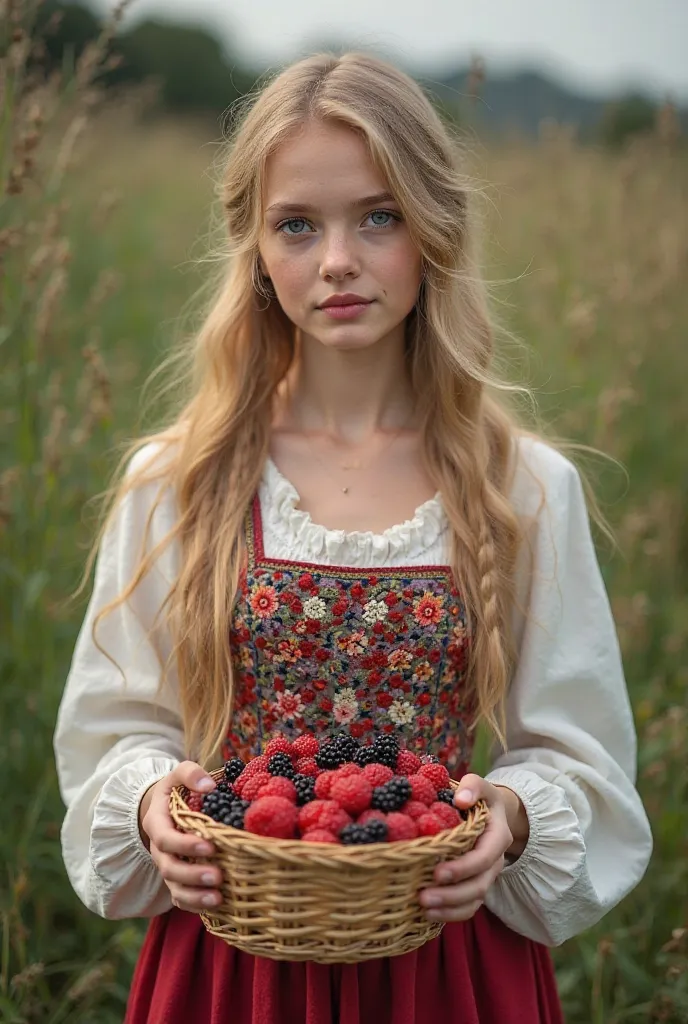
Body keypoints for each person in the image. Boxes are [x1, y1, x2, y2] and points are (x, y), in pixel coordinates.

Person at [53, 51, 652, 1024]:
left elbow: (574, 749)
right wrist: (151, 804)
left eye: (378, 216)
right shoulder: (178, 479)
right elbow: (118, 724)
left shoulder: (523, 489)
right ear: (253, 246)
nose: (337, 258)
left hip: (445, 962)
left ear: (434, 228)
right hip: (234, 963)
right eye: (297, 224)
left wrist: (506, 815)